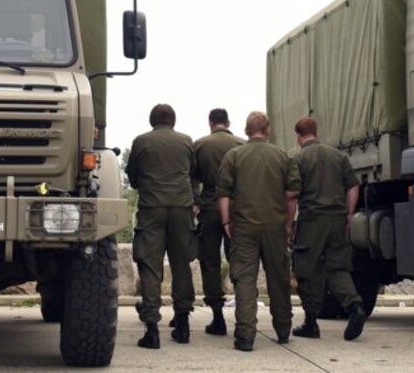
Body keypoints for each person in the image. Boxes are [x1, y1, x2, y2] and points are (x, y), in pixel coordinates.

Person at [217, 111, 300, 352]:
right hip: (275, 226)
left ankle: (245, 335)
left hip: (244, 228)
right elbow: (292, 194)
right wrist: (287, 223)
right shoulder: (282, 156)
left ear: (245, 131)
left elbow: (223, 194)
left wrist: (226, 223)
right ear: (268, 130)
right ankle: (283, 329)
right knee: (279, 278)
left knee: (244, 280)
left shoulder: (234, 156)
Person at [287, 116, 367, 341]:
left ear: (298, 136)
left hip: (312, 219)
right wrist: (348, 213)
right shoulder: (338, 155)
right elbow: (353, 186)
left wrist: (288, 224)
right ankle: (355, 307)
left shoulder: (299, 158)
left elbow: (292, 194)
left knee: (306, 270)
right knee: (338, 268)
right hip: (337, 219)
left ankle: (311, 323)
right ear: (316, 132)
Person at [125, 103, 196, 349]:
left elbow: (133, 178)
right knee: (181, 264)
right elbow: (192, 173)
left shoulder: (141, 141)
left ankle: (152, 329)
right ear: (173, 121)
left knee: (150, 266)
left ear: (151, 121)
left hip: (152, 208)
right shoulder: (187, 141)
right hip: (181, 208)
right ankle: (183, 324)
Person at [191, 108, 244, 336]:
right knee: (240, 260)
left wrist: (196, 202)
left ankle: (217, 316)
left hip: (210, 207)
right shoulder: (242, 145)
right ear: (228, 122)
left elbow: (192, 178)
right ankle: (243, 312)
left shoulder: (200, 145)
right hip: (237, 208)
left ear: (210, 122)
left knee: (210, 262)